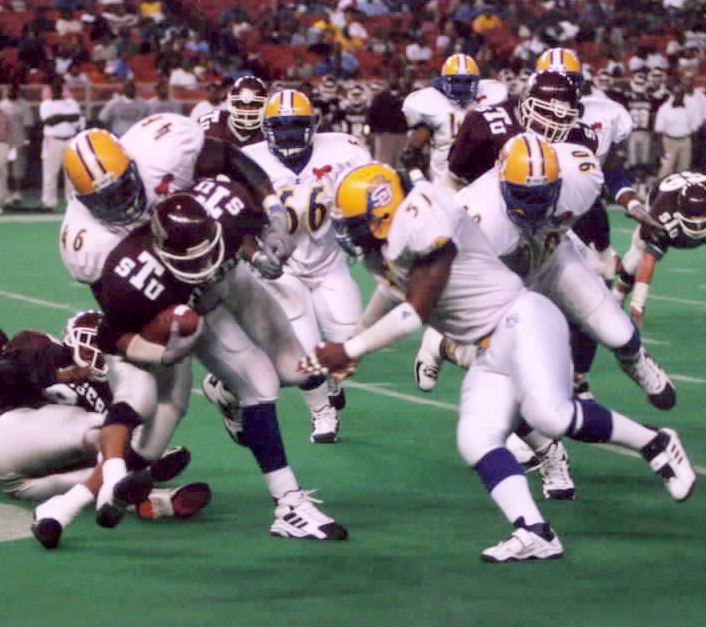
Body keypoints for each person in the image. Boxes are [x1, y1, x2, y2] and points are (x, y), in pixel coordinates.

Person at [299, 151, 695, 562]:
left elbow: (416, 308)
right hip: (490, 345)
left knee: (551, 416)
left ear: (383, 214)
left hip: (521, 319)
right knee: (476, 438)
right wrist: (358, 335)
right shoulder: (388, 241)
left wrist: (347, 348)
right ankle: (535, 531)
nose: (346, 233)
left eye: (353, 223)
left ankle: (655, 442)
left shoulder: (426, 216)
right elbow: (393, 290)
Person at [54, 118, 333, 540]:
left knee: (298, 371)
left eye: (124, 185)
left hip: (219, 258)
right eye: (105, 198)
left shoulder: (161, 145)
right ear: (83, 198)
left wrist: (270, 220)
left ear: (132, 164)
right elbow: (122, 321)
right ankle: (288, 503)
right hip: (184, 297)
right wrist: (165, 339)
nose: (123, 201)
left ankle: (223, 392)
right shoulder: (89, 244)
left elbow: (229, 159)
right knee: (257, 382)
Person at [0, 315, 210, 550]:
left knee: (110, 461)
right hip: (14, 434)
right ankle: (137, 466)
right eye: (91, 346)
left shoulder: (117, 386)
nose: (97, 356)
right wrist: (57, 376)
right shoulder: (44, 350)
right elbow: (8, 373)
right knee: (113, 436)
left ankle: (148, 496)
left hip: (21, 481)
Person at [242, 89, 372, 443]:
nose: (287, 135)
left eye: (295, 126)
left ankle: (330, 383)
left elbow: (369, 195)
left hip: (330, 262)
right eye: (280, 127)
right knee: (303, 347)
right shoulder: (248, 162)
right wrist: (254, 255)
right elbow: (234, 222)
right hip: (283, 269)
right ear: (266, 129)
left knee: (348, 343)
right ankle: (321, 412)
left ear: (313, 125)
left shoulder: (345, 150)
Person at [400, 53, 508, 190]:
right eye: (456, 81)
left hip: (482, 182)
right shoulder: (432, 102)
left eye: (467, 82)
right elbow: (411, 154)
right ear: (444, 81)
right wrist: (420, 181)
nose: (462, 87)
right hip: (445, 183)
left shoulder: (488, 100)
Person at [613, 172, 706, 328]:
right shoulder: (662, 213)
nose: (697, 226)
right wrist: (638, 302)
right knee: (637, 255)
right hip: (660, 198)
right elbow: (648, 257)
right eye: (692, 221)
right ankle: (617, 297)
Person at [39, 76, 83, 211]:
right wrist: (66, 117)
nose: (58, 89)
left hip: (70, 140)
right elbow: (48, 121)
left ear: (64, 89)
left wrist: (59, 117)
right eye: (55, 87)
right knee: (50, 173)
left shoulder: (72, 103)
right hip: (53, 140)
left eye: (60, 87)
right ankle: (48, 202)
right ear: (52, 90)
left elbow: (77, 120)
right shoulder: (46, 104)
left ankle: (72, 201)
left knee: (71, 174)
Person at [197, 75, 267, 148]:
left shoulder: (269, 130)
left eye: (254, 104)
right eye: (241, 104)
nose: (247, 109)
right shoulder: (212, 125)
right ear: (232, 103)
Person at [365, 73, 409, 167]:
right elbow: (371, 115)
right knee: (384, 164)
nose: (394, 80)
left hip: (403, 135)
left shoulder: (406, 95)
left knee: (401, 165)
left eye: (396, 77)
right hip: (385, 135)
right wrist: (373, 131)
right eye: (391, 78)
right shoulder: (380, 97)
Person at [0, 84, 33, 206]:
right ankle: (5, 194)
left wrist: (26, 140)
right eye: (9, 91)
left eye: (13, 91)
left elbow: (28, 124)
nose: (10, 93)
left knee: (17, 168)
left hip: (18, 140)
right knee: (3, 169)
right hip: (4, 142)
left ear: (18, 92)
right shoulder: (2, 104)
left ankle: (17, 192)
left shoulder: (24, 105)